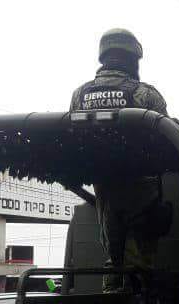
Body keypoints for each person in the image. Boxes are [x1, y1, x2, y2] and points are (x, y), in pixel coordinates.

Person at [69, 28, 170, 289]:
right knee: (139, 268)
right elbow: (168, 142)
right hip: (142, 194)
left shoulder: (80, 96)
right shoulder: (146, 95)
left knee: (113, 262)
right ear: (133, 58)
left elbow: (74, 140)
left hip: (104, 191)